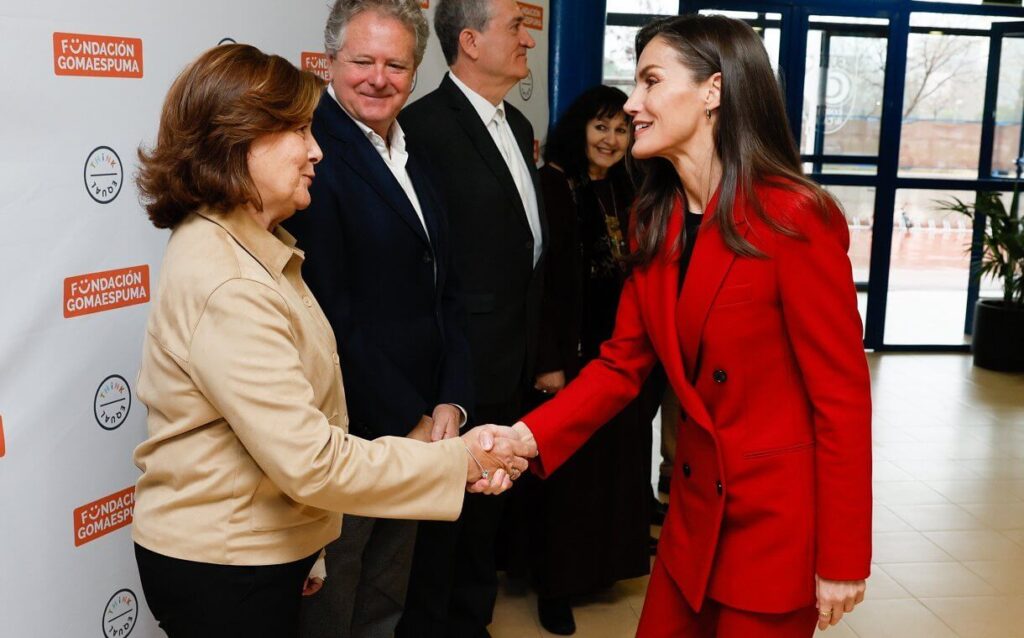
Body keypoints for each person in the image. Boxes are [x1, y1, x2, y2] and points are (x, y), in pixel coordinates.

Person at [130, 44, 533, 638]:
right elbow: (312, 460)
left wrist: (308, 542)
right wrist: (460, 459)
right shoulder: (229, 280)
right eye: (298, 130)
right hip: (224, 567)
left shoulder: (257, 247)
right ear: (239, 140)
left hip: (259, 548)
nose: (317, 148)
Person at [506, 15, 872, 637]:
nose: (631, 103)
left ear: (714, 91)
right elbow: (622, 364)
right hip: (693, 522)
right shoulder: (659, 219)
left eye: (650, 81)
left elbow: (840, 398)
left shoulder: (794, 217)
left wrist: (842, 557)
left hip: (773, 532)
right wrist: (523, 439)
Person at [280, 2, 473, 636]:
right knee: (334, 611)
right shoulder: (310, 154)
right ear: (330, 62)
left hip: (420, 428)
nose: (378, 78)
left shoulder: (411, 150)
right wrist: (407, 418)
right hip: (352, 430)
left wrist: (450, 404)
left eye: (397, 64)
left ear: (416, 73)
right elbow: (327, 312)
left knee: (384, 605)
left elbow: (445, 288)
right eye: (362, 61)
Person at [398, 0, 546, 635]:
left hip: (513, 356)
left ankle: (471, 624)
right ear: (469, 41)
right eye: (515, 27)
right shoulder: (423, 127)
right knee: (444, 525)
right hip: (457, 364)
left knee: (489, 513)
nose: (528, 40)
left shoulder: (512, 121)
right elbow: (427, 263)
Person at [505, 85, 663, 635]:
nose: (612, 139)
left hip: (624, 356)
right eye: (601, 127)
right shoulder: (552, 184)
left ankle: (599, 571)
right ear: (580, 130)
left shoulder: (632, 185)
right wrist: (548, 359)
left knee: (614, 471)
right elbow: (539, 281)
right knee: (564, 475)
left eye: (621, 129)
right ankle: (555, 584)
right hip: (568, 357)